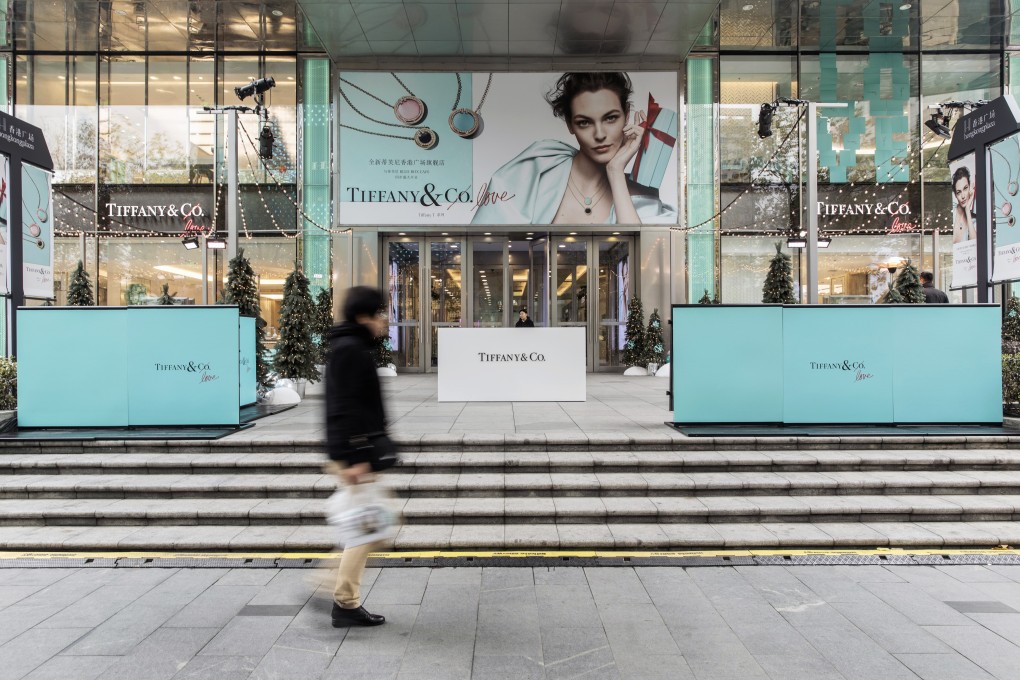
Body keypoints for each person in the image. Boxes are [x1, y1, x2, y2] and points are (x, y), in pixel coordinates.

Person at [472, 72, 676, 225]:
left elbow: (642, 259)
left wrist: (615, 172)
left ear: (627, 114)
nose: (599, 134)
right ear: (570, 124)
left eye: (610, 118)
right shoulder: (538, 170)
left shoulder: (641, 192)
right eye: (584, 122)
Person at [325, 286, 395, 628]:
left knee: (373, 524)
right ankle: (342, 599)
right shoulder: (351, 349)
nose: (385, 321)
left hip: (355, 451)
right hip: (355, 455)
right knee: (369, 526)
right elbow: (345, 408)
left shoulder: (351, 346)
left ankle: (335, 591)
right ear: (363, 316)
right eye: (380, 314)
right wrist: (356, 456)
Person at [952, 166, 977, 244]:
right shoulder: (952, 213)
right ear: (955, 195)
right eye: (959, 192)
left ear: (970, 188)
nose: (963, 196)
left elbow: (974, 244)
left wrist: (967, 210)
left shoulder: (974, 220)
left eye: (965, 188)